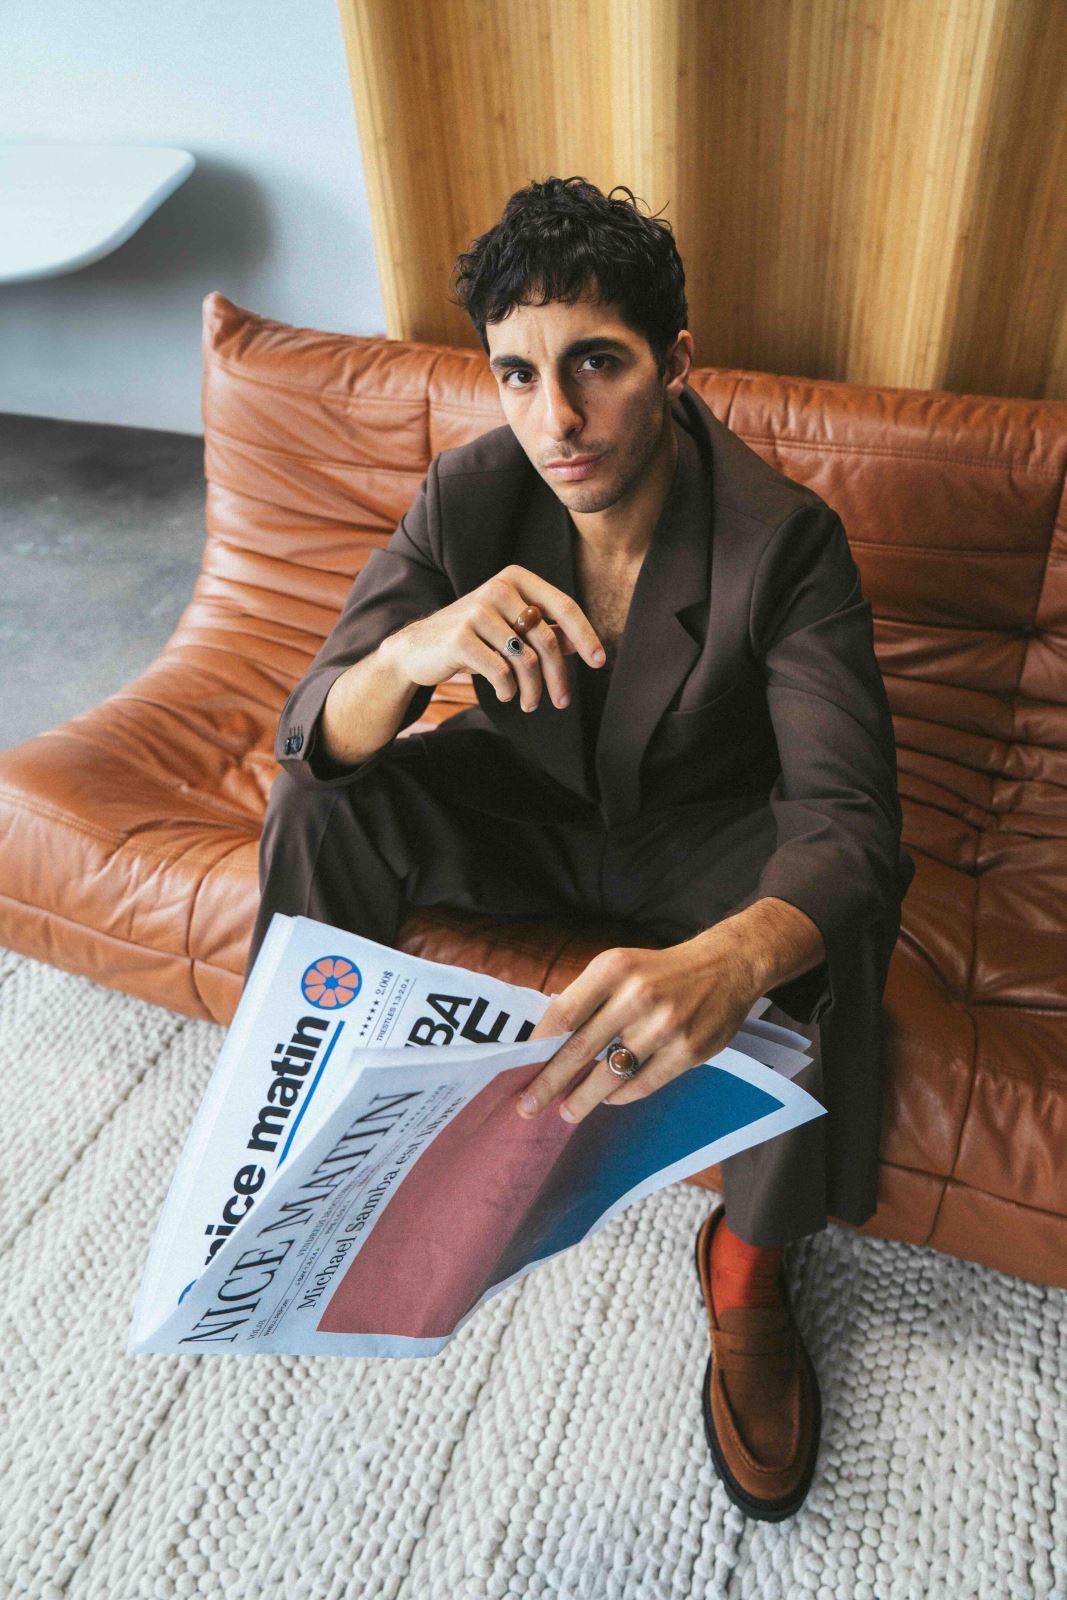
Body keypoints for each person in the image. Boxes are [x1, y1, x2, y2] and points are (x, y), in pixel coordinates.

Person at [246, 176, 915, 1521]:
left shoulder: (783, 539)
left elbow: (851, 821)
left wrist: (736, 954)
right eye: (518, 373)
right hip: (525, 807)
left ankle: (748, 1267)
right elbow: (312, 731)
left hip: (696, 840)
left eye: (596, 364)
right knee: (326, 803)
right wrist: (412, 652)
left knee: (821, 926)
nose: (555, 416)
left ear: (675, 363)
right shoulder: (470, 490)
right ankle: (298, 1120)